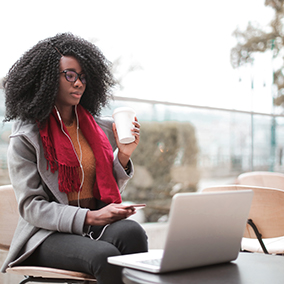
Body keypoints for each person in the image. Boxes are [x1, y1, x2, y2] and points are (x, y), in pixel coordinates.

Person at [0, 33, 148, 284]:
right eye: (70, 75)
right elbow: (31, 207)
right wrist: (90, 217)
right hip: (46, 235)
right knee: (105, 256)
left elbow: (103, 186)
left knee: (133, 232)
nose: (78, 83)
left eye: (83, 76)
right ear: (45, 79)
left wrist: (123, 155)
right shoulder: (26, 137)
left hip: (92, 224)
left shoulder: (98, 128)